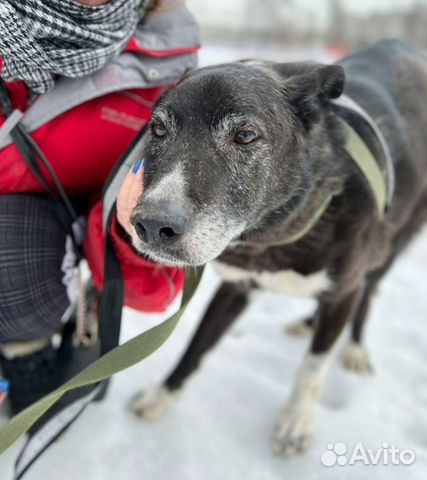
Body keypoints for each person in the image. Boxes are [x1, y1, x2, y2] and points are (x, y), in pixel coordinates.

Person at [0, 0, 200, 411]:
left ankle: (25, 351)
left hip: (33, 235)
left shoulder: (171, 67)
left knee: (21, 284)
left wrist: (131, 231)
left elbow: (147, 287)